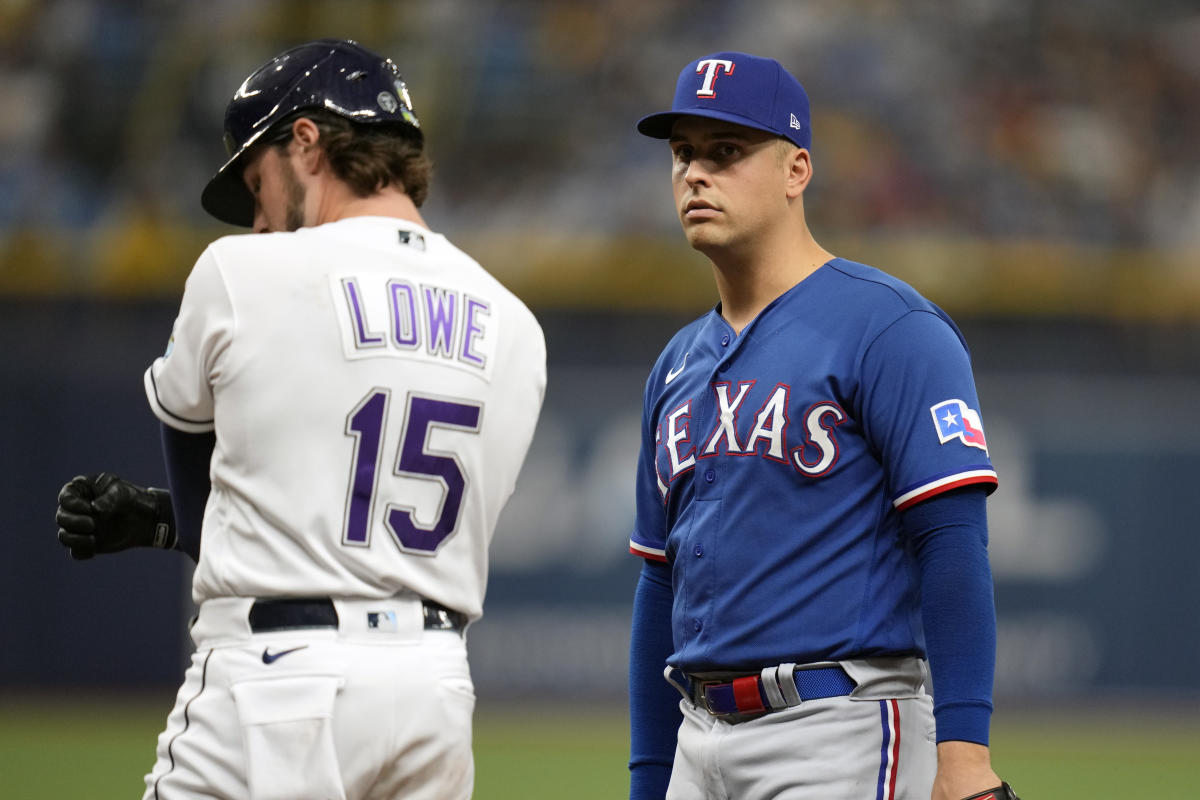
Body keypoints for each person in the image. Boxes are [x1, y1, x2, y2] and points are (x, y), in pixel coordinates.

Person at [54, 39, 546, 800]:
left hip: (276, 683)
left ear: (307, 142)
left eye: (257, 183)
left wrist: (158, 519)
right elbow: (379, 516)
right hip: (435, 693)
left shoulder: (240, 273)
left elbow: (197, 507)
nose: (257, 218)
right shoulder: (517, 326)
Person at [626, 52, 1019, 800]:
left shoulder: (889, 326)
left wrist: (965, 754)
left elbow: (952, 541)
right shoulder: (675, 364)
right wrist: (649, 779)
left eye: (726, 152)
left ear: (796, 170)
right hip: (697, 739)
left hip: (837, 727)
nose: (695, 175)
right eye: (683, 154)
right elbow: (658, 585)